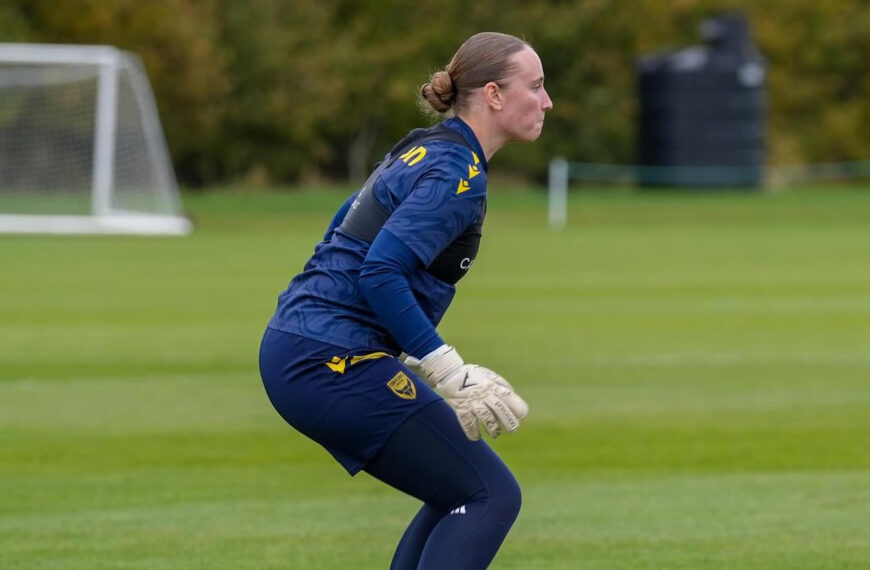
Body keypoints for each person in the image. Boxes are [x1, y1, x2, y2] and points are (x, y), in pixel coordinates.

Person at [259, 31, 553, 569]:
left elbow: (342, 232)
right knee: (489, 494)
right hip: (329, 359)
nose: (546, 100)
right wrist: (446, 367)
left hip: (304, 345)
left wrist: (398, 342)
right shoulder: (455, 173)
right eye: (535, 86)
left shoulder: (423, 145)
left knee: (459, 491)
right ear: (492, 95)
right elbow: (381, 269)